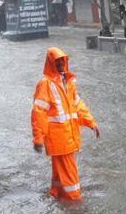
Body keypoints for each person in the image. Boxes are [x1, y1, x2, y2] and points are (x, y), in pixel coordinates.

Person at [31, 47, 100, 201]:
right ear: (51, 63)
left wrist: (91, 122)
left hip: (66, 137)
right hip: (60, 139)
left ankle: (56, 194)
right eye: (58, 61)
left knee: (59, 172)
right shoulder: (46, 84)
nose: (61, 64)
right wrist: (38, 138)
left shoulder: (67, 82)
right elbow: (38, 112)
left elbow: (78, 105)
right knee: (70, 177)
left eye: (63, 60)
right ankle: (74, 202)